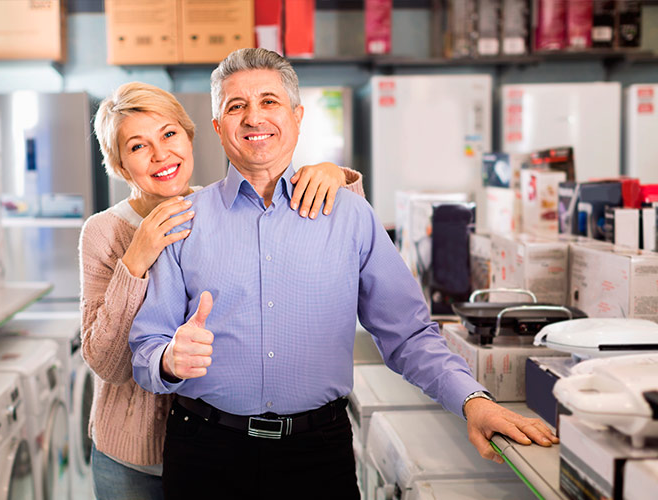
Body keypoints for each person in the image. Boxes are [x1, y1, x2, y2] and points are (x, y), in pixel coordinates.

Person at [129, 48, 559, 499]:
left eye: (269, 102)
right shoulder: (182, 221)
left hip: (317, 455)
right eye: (236, 106)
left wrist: (473, 401)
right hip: (204, 452)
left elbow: (408, 335)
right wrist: (169, 359)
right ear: (219, 127)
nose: (254, 117)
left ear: (297, 116)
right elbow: (146, 346)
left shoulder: (350, 215)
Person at [79, 81, 365, 500]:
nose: (161, 155)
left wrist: (336, 175)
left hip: (214, 450)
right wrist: (135, 259)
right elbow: (108, 364)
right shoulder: (103, 232)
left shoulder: (214, 210)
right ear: (120, 165)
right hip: (132, 457)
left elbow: (322, 229)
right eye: (138, 146)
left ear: (190, 137)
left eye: (169, 134)